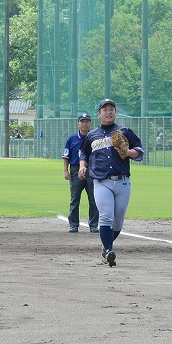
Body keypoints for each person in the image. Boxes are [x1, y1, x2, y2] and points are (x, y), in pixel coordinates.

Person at [78, 99, 144, 267]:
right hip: (102, 181)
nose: (109, 112)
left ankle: (105, 247)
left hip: (123, 181)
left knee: (118, 222)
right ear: (99, 114)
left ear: (115, 112)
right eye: (105, 109)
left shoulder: (124, 131)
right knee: (106, 216)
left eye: (111, 109)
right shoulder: (92, 135)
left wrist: (129, 152)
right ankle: (108, 251)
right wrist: (82, 166)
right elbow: (84, 153)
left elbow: (139, 150)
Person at [62, 113, 99, 233]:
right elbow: (66, 156)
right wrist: (66, 171)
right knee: (75, 199)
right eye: (82, 121)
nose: (84, 124)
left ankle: (93, 225)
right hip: (75, 169)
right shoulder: (72, 138)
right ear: (78, 123)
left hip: (91, 170)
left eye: (87, 121)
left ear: (90, 123)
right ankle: (73, 225)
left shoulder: (94, 138)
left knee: (93, 199)